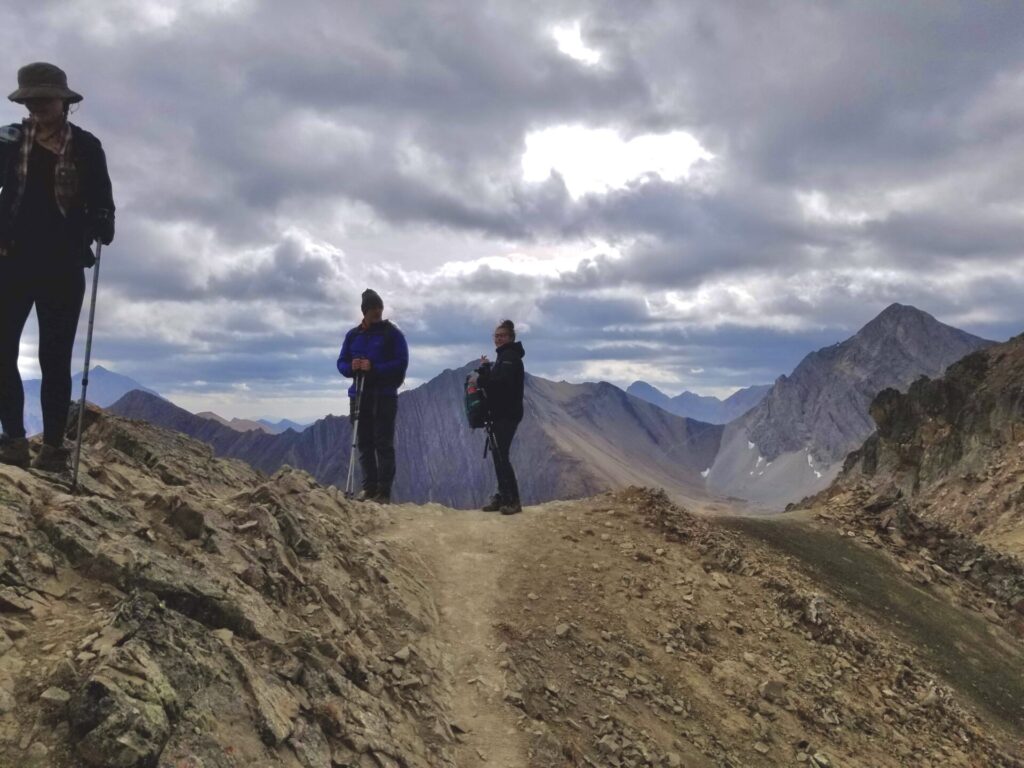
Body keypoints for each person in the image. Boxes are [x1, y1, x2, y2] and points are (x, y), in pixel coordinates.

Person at [0, 63, 115, 472]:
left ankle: (52, 449)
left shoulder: (86, 147)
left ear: (64, 102)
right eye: (30, 99)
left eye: (43, 98)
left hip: (62, 266)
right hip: (11, 260)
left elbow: (104, 200)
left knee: (53, 358)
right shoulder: (9, 139)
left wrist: (101, 221)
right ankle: (12, 439)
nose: (36, 105)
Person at [336, 289, 408, 503]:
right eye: (373, 310)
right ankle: (370, 488)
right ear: (365, 312)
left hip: (384, 396)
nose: (378, 313)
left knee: (383, 443)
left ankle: (383, 492)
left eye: (379, 309)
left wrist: (373, 367)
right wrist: (352, 366)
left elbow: (401, 363)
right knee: (365, 442)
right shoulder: (353, 335)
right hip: (360, 394)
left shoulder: (392, 334)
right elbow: (341, 363)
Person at [477, 319, 525, 515]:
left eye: (502, 336)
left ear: (511, 337)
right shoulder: (505, 357)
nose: (498, 339)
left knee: (501, 456)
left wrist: (482, 377)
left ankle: (512, 500)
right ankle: (503, 495)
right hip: (503, 413)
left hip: (506, 414)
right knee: (498, 455)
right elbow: (498, 381)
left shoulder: (509, 357)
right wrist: (487, 368)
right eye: (496, 336)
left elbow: (499, 384)